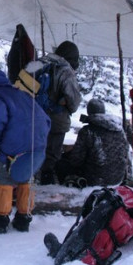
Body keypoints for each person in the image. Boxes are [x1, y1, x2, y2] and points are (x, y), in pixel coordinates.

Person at [0, 70, 50, 234]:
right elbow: (44, 116)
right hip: (38, 140)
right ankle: (23, 219)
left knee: (6, 178)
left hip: (17, 144)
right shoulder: (19, 93)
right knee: (26, 177)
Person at [16, 41, 82, 185]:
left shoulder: (37, 63)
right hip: (56, 121)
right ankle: (46, 184)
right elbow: (74, 101)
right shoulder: (65, 70)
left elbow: (19, 87)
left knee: (33, 149)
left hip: (32, 117)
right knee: (51, 154)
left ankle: (26, 180)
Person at [56, 98, 133, 187]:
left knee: (61, 164)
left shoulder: (87, 131)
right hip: (119, 178)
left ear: (89, 112)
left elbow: (76, 160)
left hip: (96, 179)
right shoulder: (120, 127)